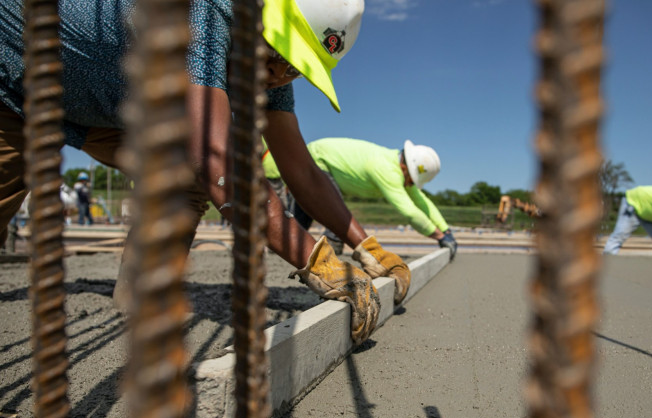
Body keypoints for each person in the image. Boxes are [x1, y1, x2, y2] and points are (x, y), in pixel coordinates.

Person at [0, 0, 407, 344]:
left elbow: (302, 170)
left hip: (101, 105)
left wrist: (365, 245)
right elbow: (215, 158)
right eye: (278, 57)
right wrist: (318, 263)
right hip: (14, 75)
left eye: (294, 70)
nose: (276, 76)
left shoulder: (264, 64)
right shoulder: (208, 11)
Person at [262, 137, 458, 262]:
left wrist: (445, 228)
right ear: (406, 168)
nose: (411, 185)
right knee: (335, 214)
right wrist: (439, 237)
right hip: (318, 160)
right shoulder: (387, 170)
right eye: (411, 180)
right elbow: (408, 210)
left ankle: (281, 250)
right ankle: (328, 256)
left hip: (320, 159)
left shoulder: (397, 169)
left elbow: (421, 202)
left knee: (297, 225)